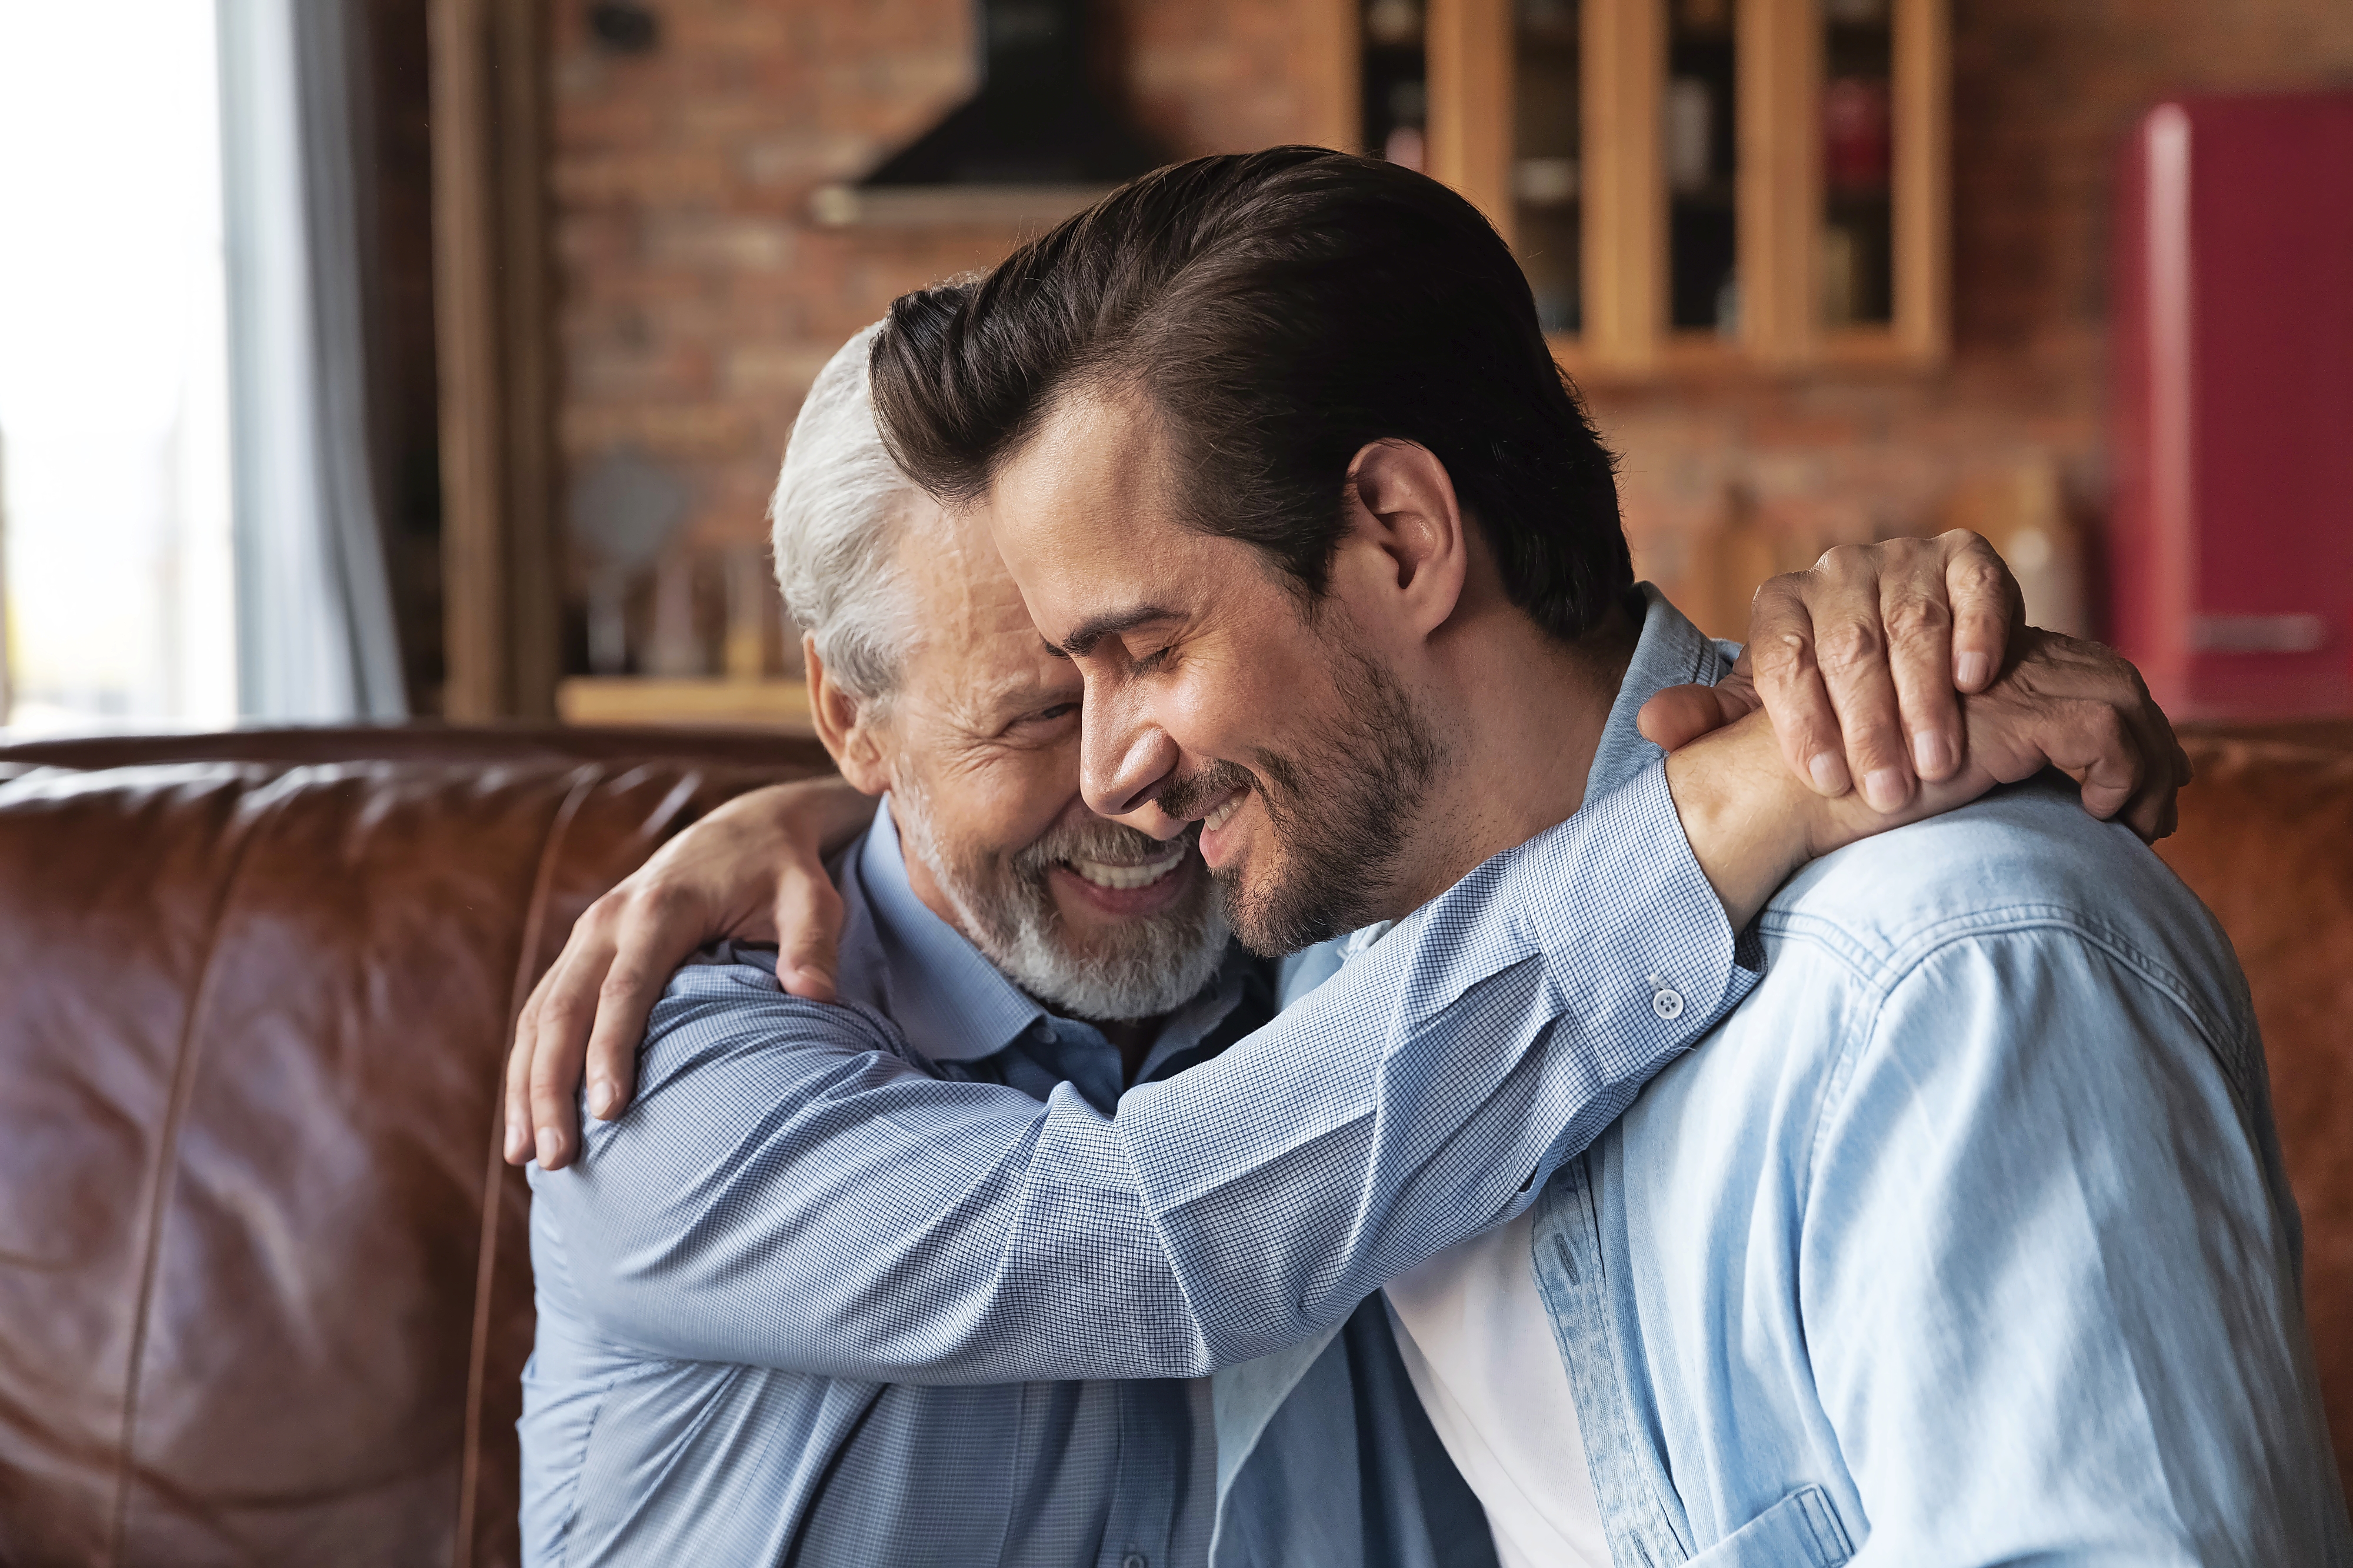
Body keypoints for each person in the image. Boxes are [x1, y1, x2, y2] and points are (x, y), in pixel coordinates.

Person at [506, 148, 2303, 1566]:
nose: (1125, 778)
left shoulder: (1927, 971)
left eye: (1135, 653)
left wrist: (1861, 684)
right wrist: (830, 818)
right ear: (856, 723)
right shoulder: (707, 1055)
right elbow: (1150, 1229)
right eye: (1036, 708)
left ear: (1399, 532)